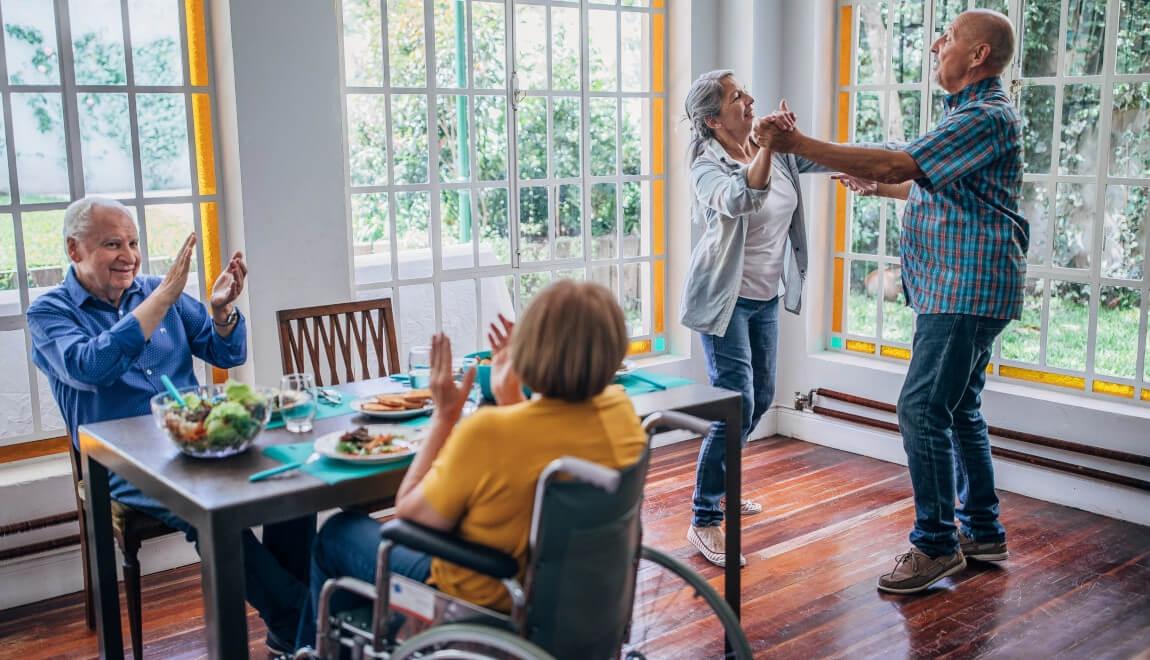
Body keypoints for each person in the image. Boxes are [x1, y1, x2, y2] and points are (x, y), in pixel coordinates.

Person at [759, 9, 1026, 593]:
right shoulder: (970, 116)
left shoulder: (985, 115)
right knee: (958, 408)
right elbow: (924, 178)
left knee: (921, 409)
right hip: (960, 288)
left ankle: (935, 546)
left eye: (949, 37)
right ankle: (982, 530)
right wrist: (883, 185)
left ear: (978, 55)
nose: (936, 44)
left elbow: (896, 159)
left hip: (965, 288)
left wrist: (798, 143)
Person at [26, 197, 314, 653]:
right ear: (74, 249)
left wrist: (221, 314)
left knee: (293, 484)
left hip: (198, 440)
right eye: (112, 244)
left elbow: (227, 354)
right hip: (121, 464)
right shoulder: (50, 313)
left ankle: (290, 634)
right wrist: (163, 298)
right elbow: (89, 367)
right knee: (212, 517)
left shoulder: (161, 292)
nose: (130, 255)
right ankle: (307, 624)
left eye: (134, 242)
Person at [297, 280, 648, 647]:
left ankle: (329, 646)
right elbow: (537, 448)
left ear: (534, 348)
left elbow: (410, 509)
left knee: (338, 532)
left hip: (479, 601)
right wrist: (510, 393)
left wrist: (444, 417)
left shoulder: (489, 431)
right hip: (573, 601)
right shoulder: (622, 414)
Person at [680, 70, 832, 568]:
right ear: (712, 118)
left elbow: (823, 154)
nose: (749, 98)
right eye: (735, 96)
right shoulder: (706, 164)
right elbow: (742, 199)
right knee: (736, 402)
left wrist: (887, 164)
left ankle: (723, 486)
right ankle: (704, 517)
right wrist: (766, 146)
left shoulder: (777, 152)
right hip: (723, 300)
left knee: (761, 397)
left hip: (765, 296)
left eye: (746, 90)